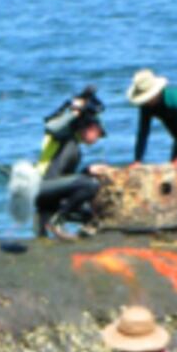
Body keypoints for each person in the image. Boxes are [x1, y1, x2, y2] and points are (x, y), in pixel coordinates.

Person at [34, 87, 108, 241]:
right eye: (98, 133)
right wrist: (75, 111)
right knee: (91, 185)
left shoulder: (75, 147)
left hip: (51, 193)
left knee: (90, 211)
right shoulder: (63, 135)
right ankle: (58, 221)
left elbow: (67, 181)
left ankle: (54, 222)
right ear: (89, 126)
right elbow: (50, 127)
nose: (98, 138)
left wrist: (87, 170)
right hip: (40, 186)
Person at [125, 69, 177, 164]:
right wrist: (138, 160)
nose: (146, 102)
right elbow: (143, 133)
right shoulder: (146, 106)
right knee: (172, 168)